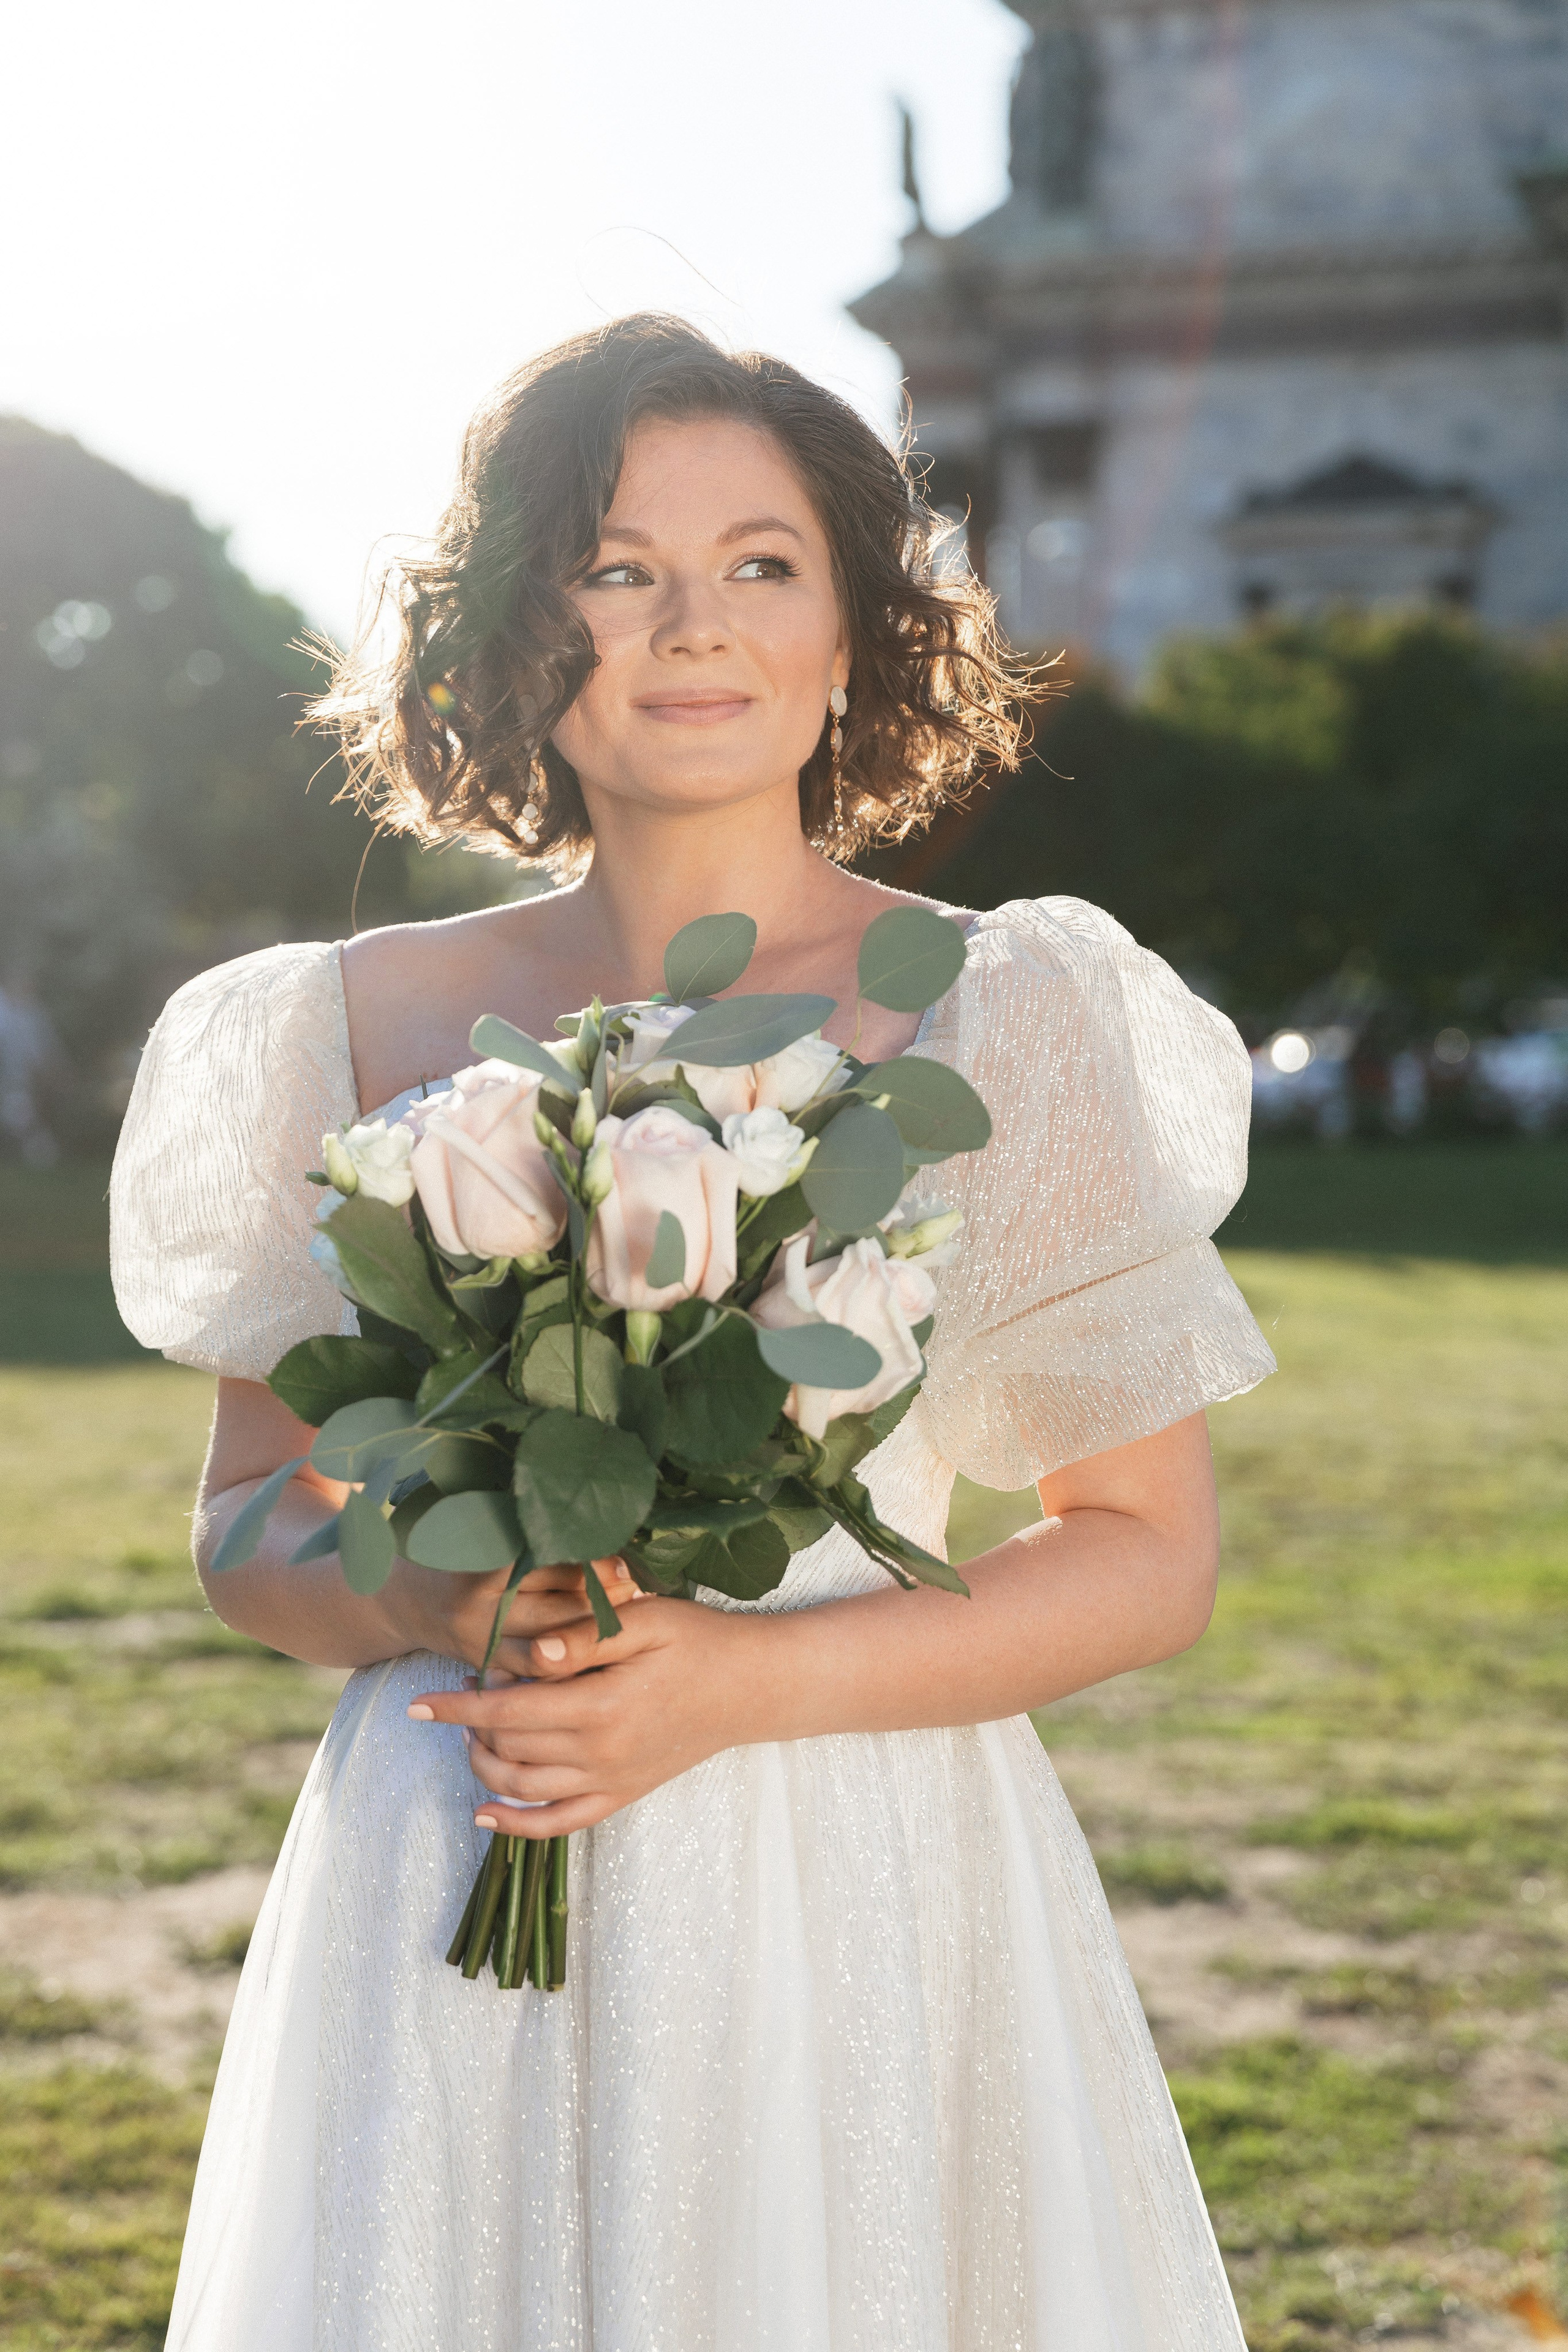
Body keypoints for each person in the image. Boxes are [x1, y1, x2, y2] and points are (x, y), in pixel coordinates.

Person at [110, 314, 1275, 2351]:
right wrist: (458, 1604)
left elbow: (1145, 1556)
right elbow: (248, 1527)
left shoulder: (1012, 1012)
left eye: (761, 565)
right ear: (519, 638)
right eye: (617, 569)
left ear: (853, 635)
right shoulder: (339, 1022)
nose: (692, 627)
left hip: (860, 1863)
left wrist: (736, 1682)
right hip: (466, 1841)